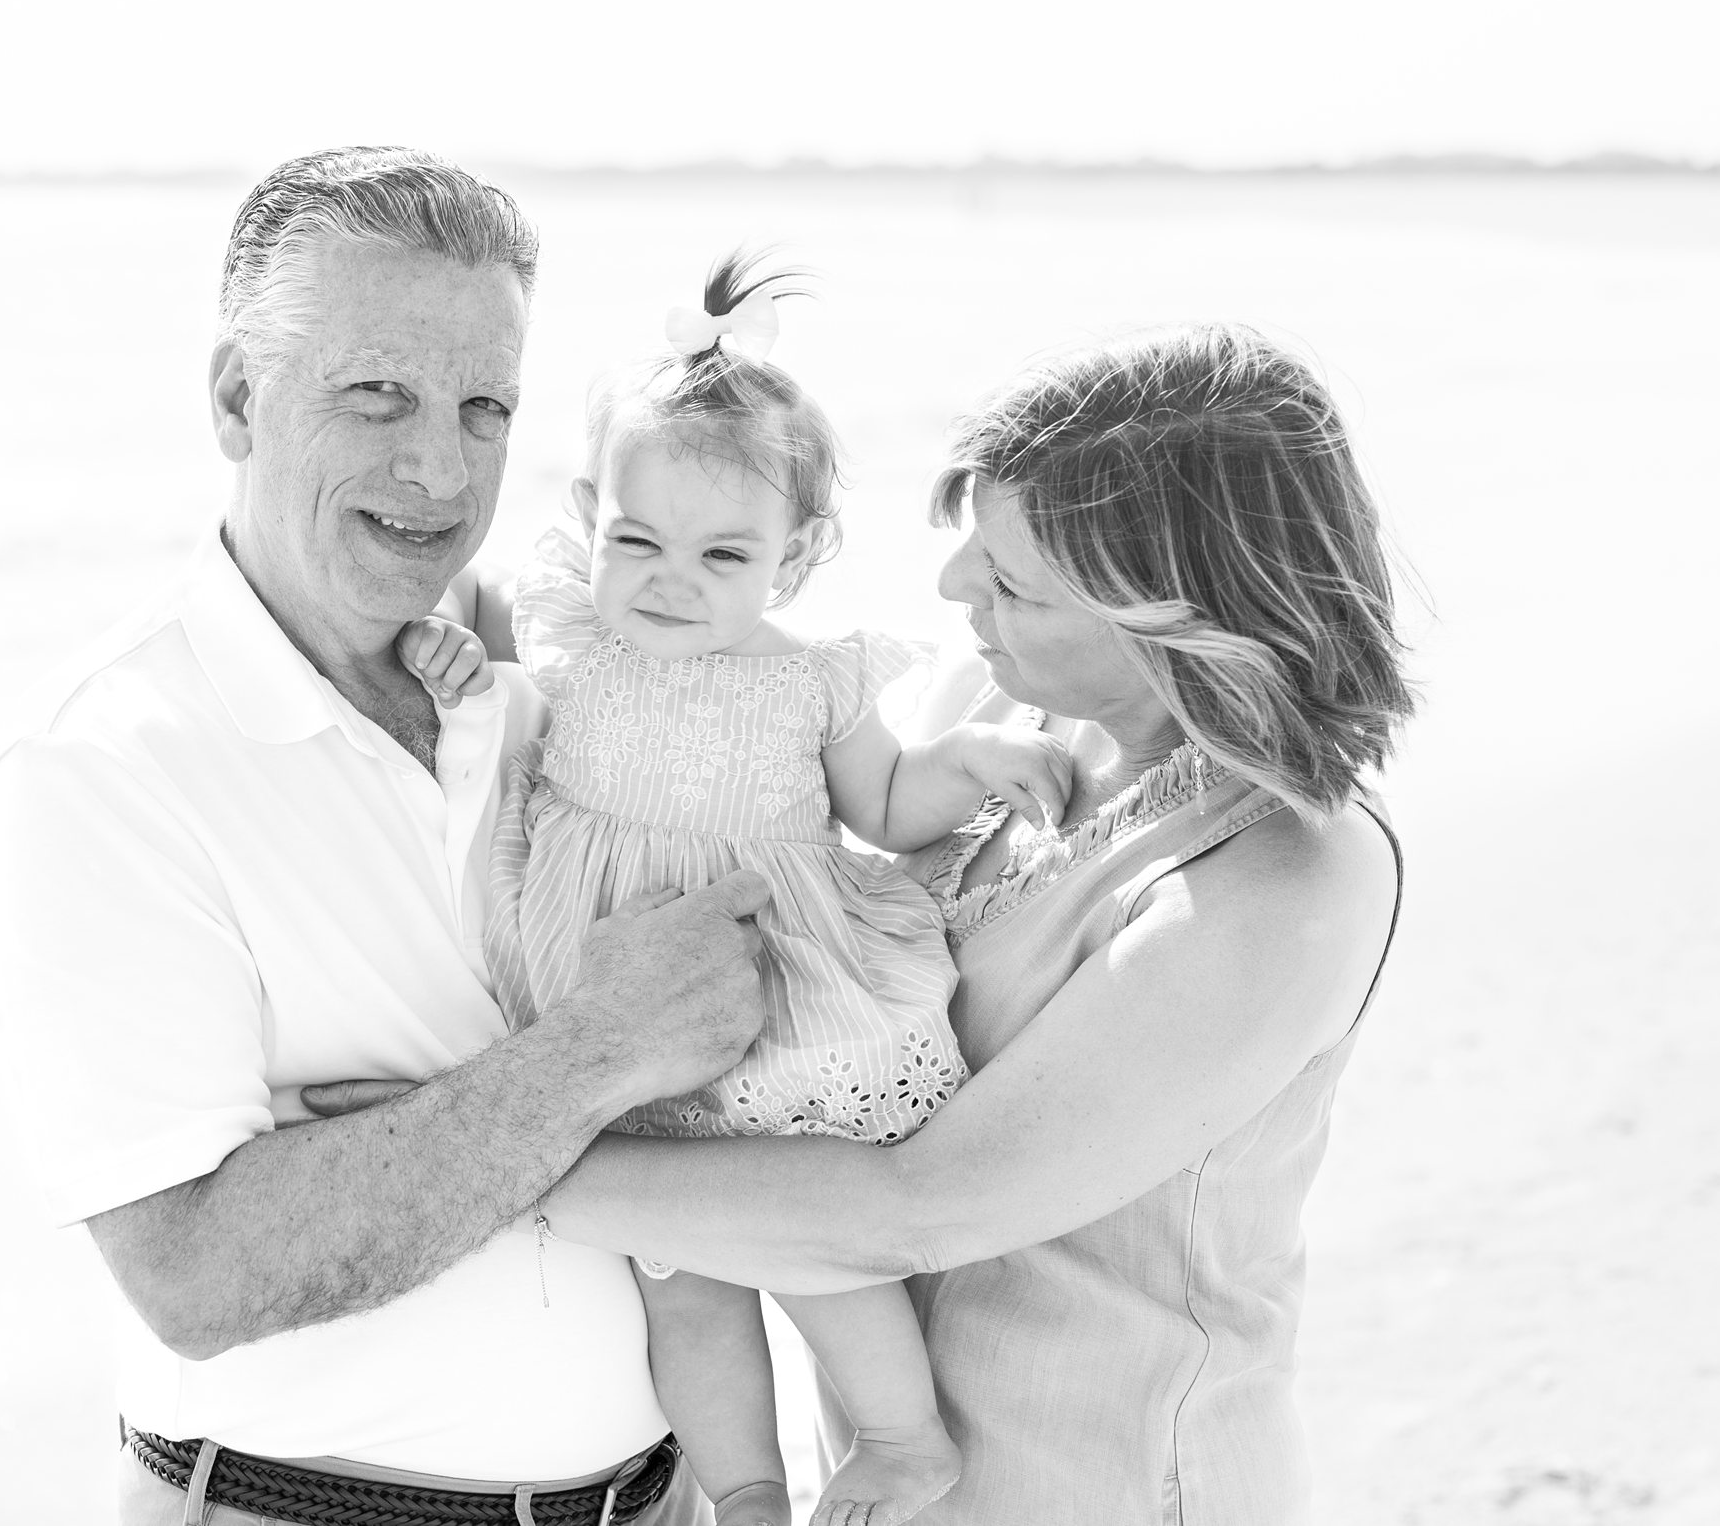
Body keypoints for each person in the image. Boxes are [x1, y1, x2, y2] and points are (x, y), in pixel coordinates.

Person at [328, 323, 1413, 1523]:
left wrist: (451, 1163)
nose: (956, 593)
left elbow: (919, 1205)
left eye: (1013, 582)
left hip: (1113, 1486)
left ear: (1174, 615)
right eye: (972, 550)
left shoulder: (1282, 882)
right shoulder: (996, 711)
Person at [0, 146, 773, 1525]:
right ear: (236, 396)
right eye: (377, 394)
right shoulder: (102, 767)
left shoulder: (546, 682)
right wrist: (603, 1049)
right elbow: (198, 1272)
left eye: (485, 405)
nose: (440, 466)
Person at [399, 252, 1073, 1526]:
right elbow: (493, 682)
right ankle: (748, 1490)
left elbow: (882, 803)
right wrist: (457, 660)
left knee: (802, 1236)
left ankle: (901, 1437)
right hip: (608, 979)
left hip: (770, 981)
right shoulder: (571, 631)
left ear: (797, 555)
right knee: (680, 1275)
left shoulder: (806, 681)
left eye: (723, 554)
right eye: (636, 540)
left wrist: (974, 762)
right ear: (591, 513)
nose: (671, 579)